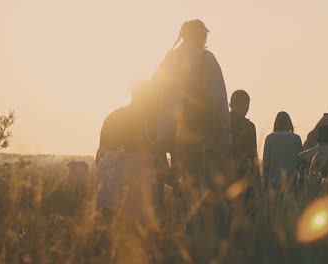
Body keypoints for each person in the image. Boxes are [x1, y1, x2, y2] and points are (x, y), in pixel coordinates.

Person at [152, 20, 231, 238]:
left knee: (184, 187)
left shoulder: (168, 60)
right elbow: (219, 101)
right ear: (201, 36)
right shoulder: (207, 60)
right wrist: (225, 137)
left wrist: (161, 135)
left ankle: (188, 234)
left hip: (174, 137)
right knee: (203, 188)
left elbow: (158, 97)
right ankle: (199, 239)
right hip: (203, 136)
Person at [95, 80, 164, 225]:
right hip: (139, 193)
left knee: (110, 233)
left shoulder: (112, 117)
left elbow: (99, 158)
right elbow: (158, 164)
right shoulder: (151, 125)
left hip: (109, 192)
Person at [228, 90, 261, 214]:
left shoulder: (222, 123)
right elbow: (253, 157)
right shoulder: (249, 127)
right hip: (242, 179)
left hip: (221, 178)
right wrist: (258, 186)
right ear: (246, 106)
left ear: (231, 104)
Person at [263, 112, 304, 190]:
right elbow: (301, 163)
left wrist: (265, 184)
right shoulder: (296, 138)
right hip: (292, 184)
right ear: (289, 123)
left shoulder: (269, 138)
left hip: (274, 185)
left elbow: (266, 163)